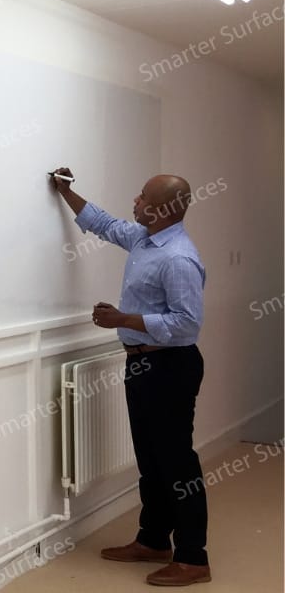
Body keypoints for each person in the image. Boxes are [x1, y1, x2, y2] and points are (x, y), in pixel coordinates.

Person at [51, 167, 211, 587]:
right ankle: (154, 540)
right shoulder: (144, 238)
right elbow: (103, 224)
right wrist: (67, 193)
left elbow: (187, 323)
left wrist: (124, 319)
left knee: (177, 463)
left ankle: (193, 557)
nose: (135, 201)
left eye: (142, 197)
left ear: (162, 210)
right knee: (151, 460)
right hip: (141, 364)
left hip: (170, 368)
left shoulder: (178, 258)